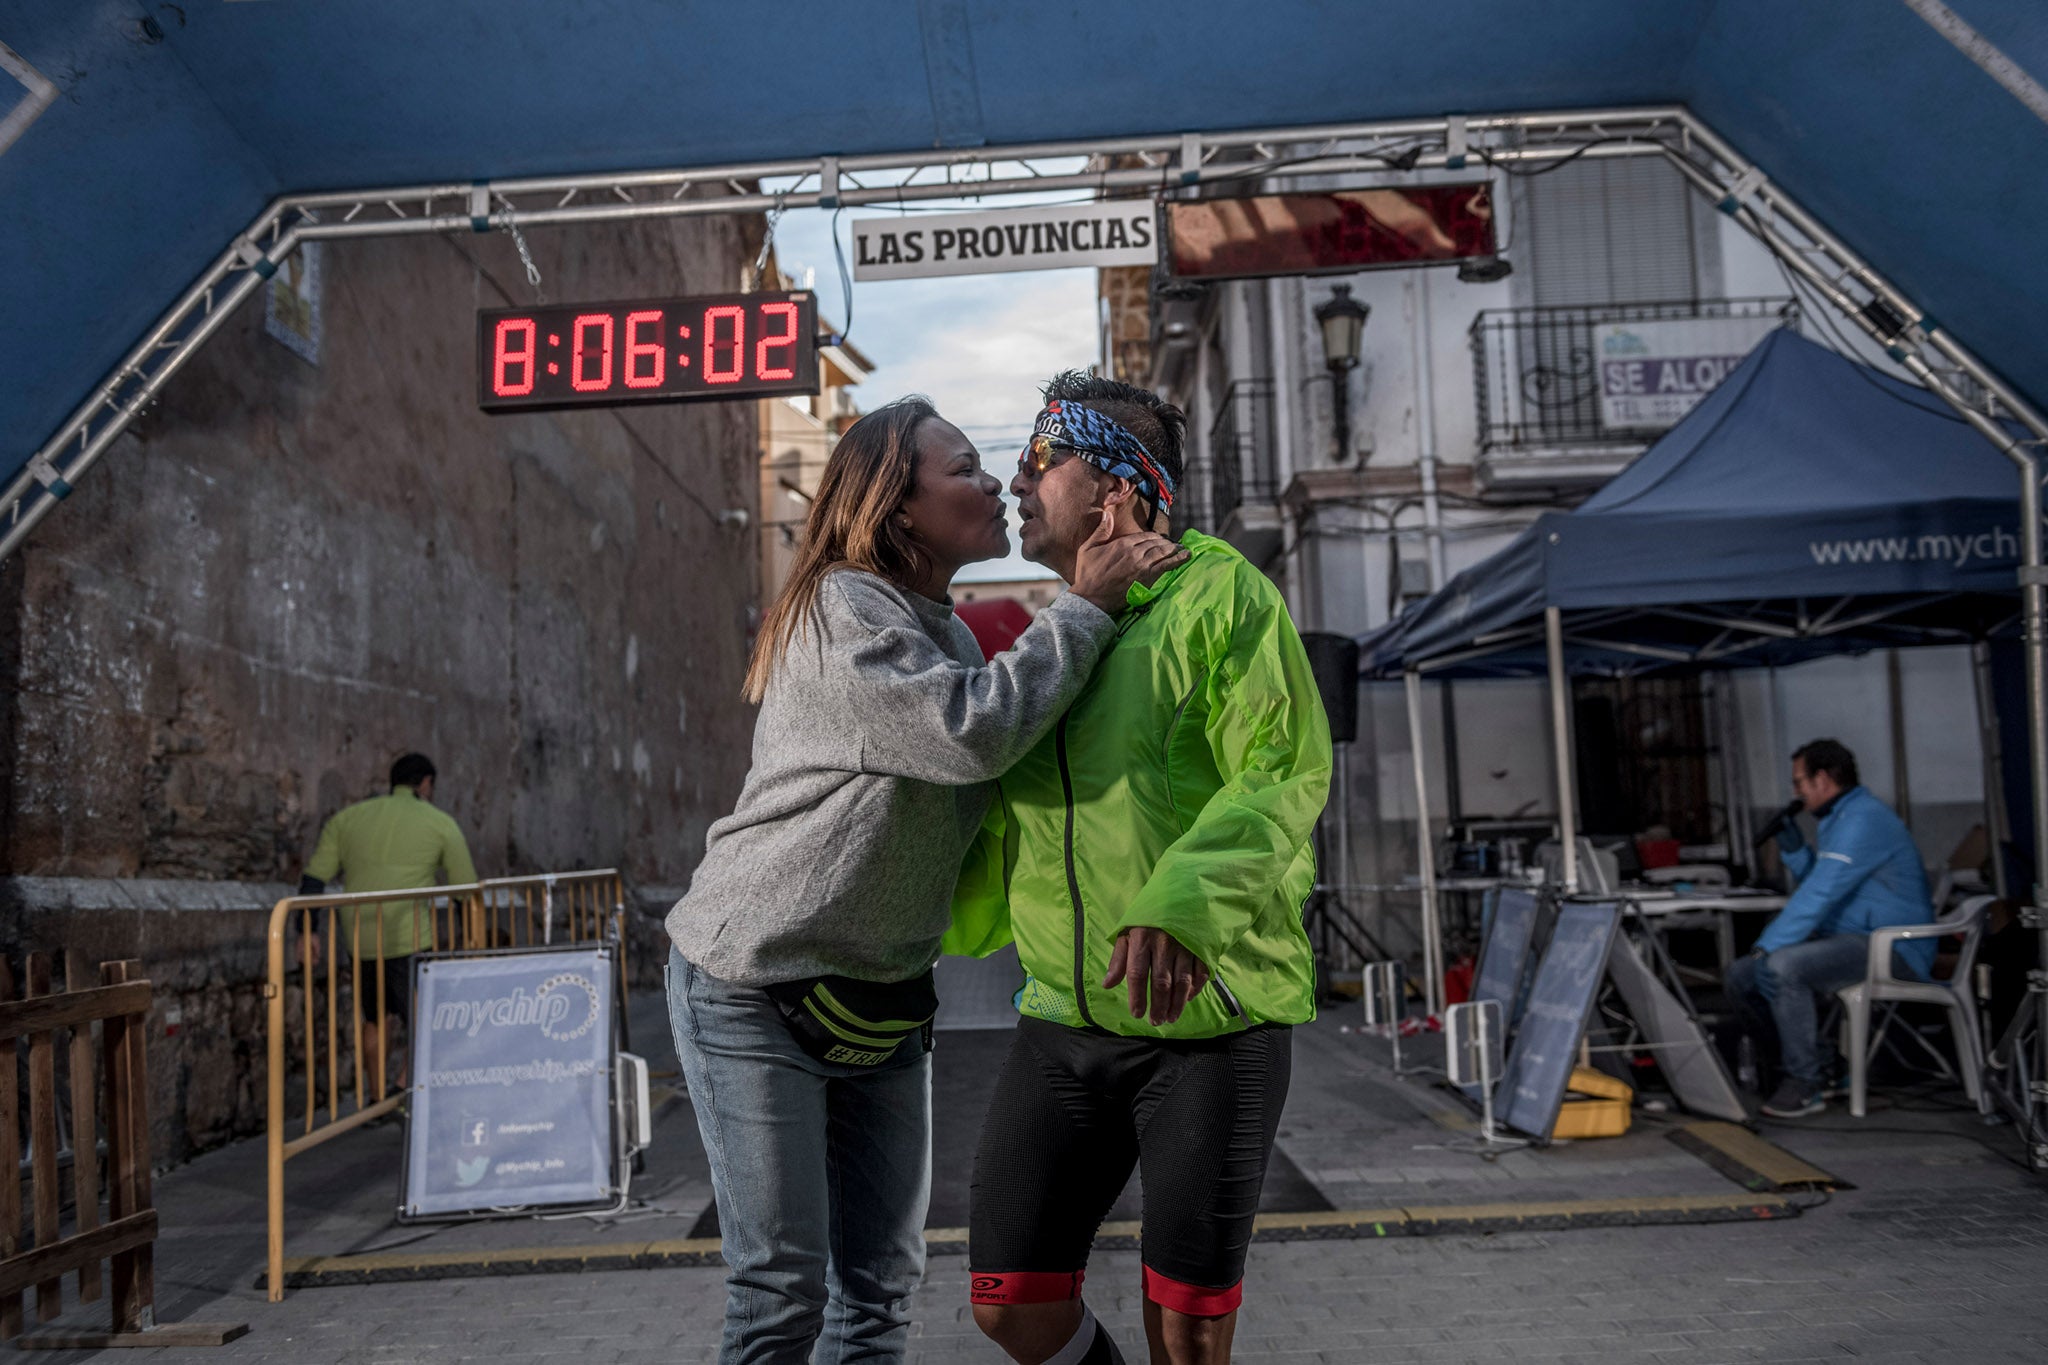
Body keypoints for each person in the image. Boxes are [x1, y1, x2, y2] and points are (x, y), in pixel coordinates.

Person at [664, 396, 1186, 1365]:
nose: (995, 482)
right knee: (782, 1291)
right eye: (964, 468)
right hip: (753, 981)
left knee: (878, 1294)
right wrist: (1084, 606)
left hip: (885, 1001)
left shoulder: (941, 630)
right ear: (895, 505)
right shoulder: (839, 607)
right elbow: (971, 732)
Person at [954, 374, 1332, 1365]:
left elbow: (1281, 772)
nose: (1014, 483)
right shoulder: (1058, 624)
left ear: (1116, 489)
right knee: (1006, 1304)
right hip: (1060, 1019)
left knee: (1189, 1335)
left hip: (1206, 1021)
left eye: (1040, 461)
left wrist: (1180, 906)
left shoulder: (1224, 597)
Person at [1726, 738, 1933, 1118]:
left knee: (1782, 966)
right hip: (1852, 940)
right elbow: (1823, 881)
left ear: (1823, 779)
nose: (1797, 793)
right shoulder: (1839, 818)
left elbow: (1821, 893)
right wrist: (1793, 850)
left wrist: (1767, 947)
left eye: (1799, 782)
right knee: (1741, 976)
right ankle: (1824, 1066)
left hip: (1893, 947)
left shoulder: (1863, 818)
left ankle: (1805, 1082)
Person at [299, 752, 478, 1083]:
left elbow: (314, 878)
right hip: (409, 936)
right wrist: (468, 938)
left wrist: (306, 929)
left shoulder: (347, 818)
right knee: (425, 1020)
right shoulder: (440, 823)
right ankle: (402, 1090)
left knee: (375, 1018)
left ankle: (377, 1097)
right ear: (426, 784)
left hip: (361, 937)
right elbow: (465, 889)